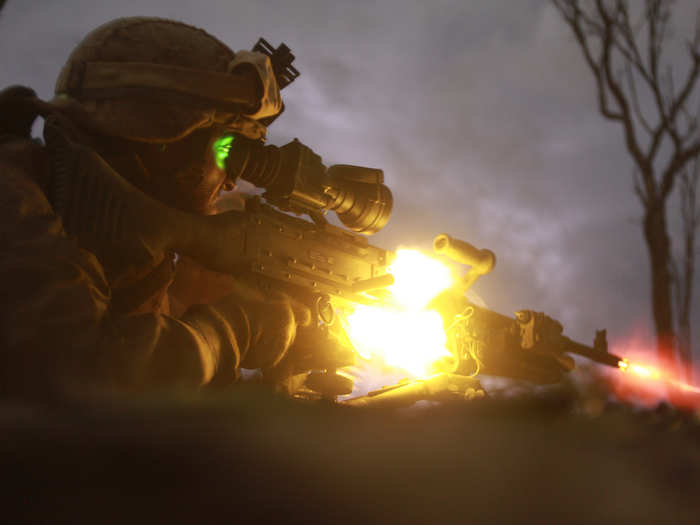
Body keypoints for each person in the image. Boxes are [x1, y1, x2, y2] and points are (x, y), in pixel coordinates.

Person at [0, 17, 310, 399]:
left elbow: (138, 425)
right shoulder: (13, 199)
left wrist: (276, 376)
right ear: (164, 145)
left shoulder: (120, 252)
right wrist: (236, 331)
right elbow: (81, 377)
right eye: (226, 152)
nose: (230, 181)